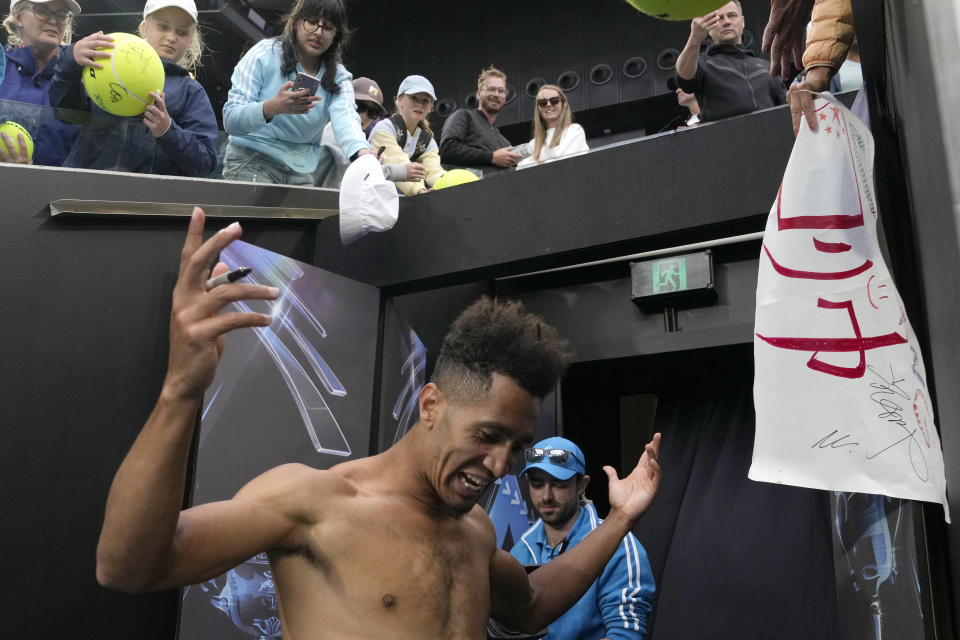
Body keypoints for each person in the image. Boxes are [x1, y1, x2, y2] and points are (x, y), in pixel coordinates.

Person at [95, 207, 663, 640]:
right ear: (431, 405)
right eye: (488, 436)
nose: (500, 467)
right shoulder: (313, 502)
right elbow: (130, 566)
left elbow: (532, 603)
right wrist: (180, 391)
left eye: (517, 447)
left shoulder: (475, 533)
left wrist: (617, 519)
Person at [49, 0, 218, 176]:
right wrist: (71, 62)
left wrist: (168, 131)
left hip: (147, 199)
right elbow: (66, 114)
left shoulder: (191, 91)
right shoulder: (105, 63)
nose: (171, 37)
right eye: (163, 26)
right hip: (85, 187)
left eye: (182, 32)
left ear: (191, 40)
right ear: (144, 28)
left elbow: (205, 162)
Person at [511, 437, 655, 640]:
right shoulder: (519, 551)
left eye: (558, 484)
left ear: (581, 485)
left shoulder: (619, 544)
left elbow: (625, 634)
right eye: (537, 484)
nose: (546, 496)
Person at [221, 0, 372, 185]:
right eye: (312, 21)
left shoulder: (339, 76)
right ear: (296, 22)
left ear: (336, 35)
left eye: (328, 27)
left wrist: (362, 152)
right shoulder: (264, 53)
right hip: (251, 160)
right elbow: (231, 119)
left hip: (301, 170)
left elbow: (346, 116)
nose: (318, 32)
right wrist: (271, 108)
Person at [674, 0, 786, 123]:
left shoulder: (766, 67)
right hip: (724, 140)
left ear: (742, 22)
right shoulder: (702, 65)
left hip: (772, 138)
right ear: (709, 27)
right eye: (719, 18)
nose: (726, 22)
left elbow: (786, 109)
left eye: (732, 15)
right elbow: (683, 78)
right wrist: (695, 38)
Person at [0, 0, 81, 165]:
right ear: (18, 18)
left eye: (61, 15)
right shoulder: (2, 67)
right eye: (42, 11)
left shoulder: (82, 78)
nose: (53, 21)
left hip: (62, 189)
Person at [369, 74, 444, 195]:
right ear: (399, 100)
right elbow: (396, 161)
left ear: (430, 107)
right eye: (414, 98)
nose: (420, 104)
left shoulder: (428, 142)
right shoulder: (384, 129)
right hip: (372, 198)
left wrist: (450, 185)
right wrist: (420, 190)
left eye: (425, 100)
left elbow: (434, 171)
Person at [439, 65, 519, 174]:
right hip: (469, 188)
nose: (496, 94)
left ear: (505, 97)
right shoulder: (464, 116)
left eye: (501, 91)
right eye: (491, 89)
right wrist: (491, 157)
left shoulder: (504, 143)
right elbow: (447, 149)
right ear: (478, 94)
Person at [314, 75, 385, 187]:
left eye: (372, 112)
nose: (365, 116)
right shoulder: (335, 128)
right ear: (346, 102)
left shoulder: (359, 139)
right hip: (308, 198)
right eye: (360, 106)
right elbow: (360, 172)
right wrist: (401, 172)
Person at [516, 84, 587, 169]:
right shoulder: (533, 144)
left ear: (564, 104)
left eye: (554, 100)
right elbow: (520, 169)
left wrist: (538, 163)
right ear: (538, 109)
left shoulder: (575, 130)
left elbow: (565, 163)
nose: (548, 104)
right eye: (542, 102)